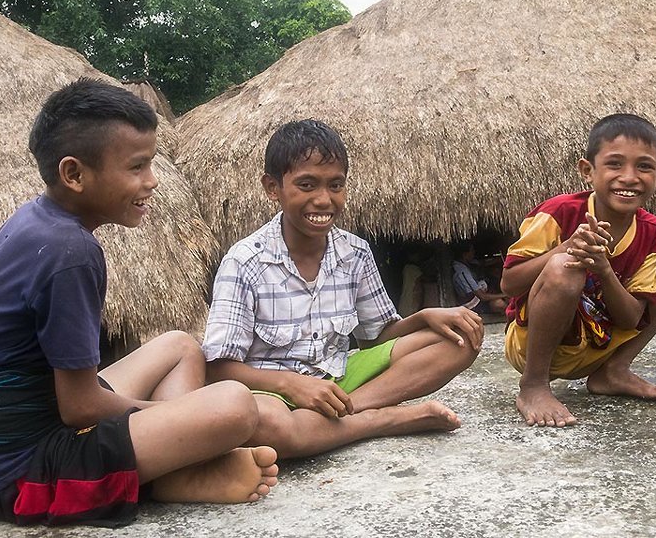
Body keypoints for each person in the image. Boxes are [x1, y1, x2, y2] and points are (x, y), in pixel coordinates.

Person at [0, 79, 278, 527]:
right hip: (24, 477)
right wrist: (181, 421)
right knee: (236, 406)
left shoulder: (28, 220)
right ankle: (171, 472)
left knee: (181, 345)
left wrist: (177, 427)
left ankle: (173, 467)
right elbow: (80, 409)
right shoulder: (71, 253)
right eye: (137, 167)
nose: (152, 181)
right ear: (74, 174)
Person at [202, 120, 482, 458]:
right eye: (306, 185)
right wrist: (292, 385)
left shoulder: (355, 252)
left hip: (341, 379)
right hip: (272, 392)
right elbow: (218, 367)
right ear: (272, 187)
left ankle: (348, 412)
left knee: (461, 338)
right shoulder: (245, 261)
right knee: (267, 427)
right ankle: (384, 420)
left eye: (335, 185)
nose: (323, 200)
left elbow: (377, 337)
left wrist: (425, 317)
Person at [499, 113, 656, 428]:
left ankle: (613, 371)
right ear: (588, 171)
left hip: (598, 345)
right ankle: (533, 386)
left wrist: (603, 270)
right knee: (565, 266)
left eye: (644, 166)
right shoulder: (558, 213)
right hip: (533, 345)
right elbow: (509, 283)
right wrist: (566, 249)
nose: (629, 177)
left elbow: (631, 319)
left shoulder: (652, 232)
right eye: (615, 164)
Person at [452, 242, 509, 314]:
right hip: (472, 304)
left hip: (479, 297)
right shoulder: (462, 271)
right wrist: (504, 295)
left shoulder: (466, 263)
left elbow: (482, 263)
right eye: (472, 251)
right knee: (499, 304)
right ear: (465, 255)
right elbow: (482, 297)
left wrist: (497, 260)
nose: (474, 253)